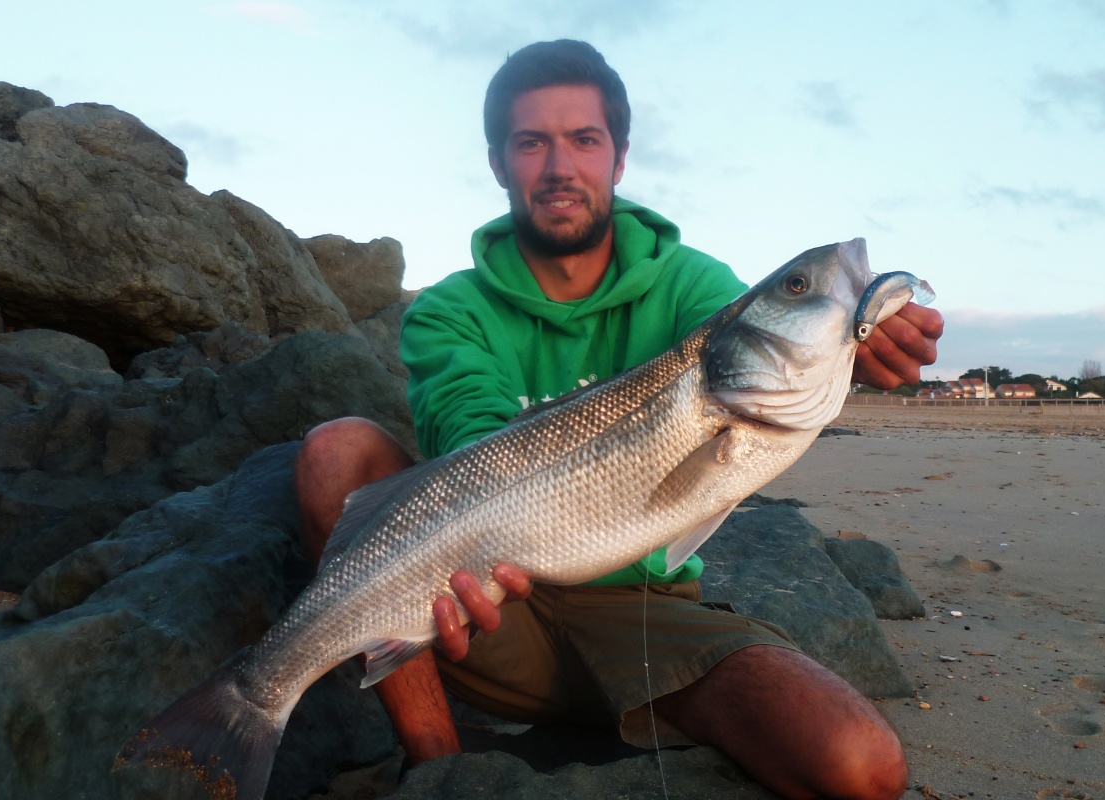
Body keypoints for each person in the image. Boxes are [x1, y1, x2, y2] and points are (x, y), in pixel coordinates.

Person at [295, 40, 943, 800]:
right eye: (531, 141)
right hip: (495, 612)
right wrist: (473, 559)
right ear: (500, 162)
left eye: (584, 139)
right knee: (336, 453)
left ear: (620, 157)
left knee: (862, 765)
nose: (559, 165)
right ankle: (438, 767)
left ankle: (623, 714)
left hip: (645, 614)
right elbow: (468, 442)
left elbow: (756, 362)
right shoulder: (449, 312)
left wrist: (852, 349)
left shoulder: (697, 287)